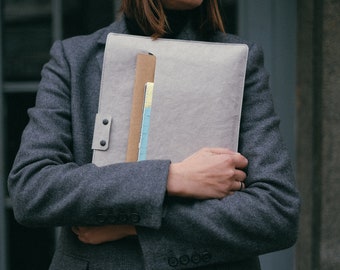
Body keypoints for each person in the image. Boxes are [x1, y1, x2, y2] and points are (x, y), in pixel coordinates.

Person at [8, 0, 300, 269]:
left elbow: (277, 214)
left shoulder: (241, 60)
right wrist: (172, 178)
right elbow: (32, 190)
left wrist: (133, 225)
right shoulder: (73, 60)